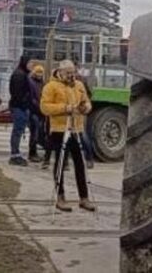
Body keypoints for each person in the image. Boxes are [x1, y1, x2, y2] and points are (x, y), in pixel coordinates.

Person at [40, 60, 95, 212]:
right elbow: (44, 107)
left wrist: (86, 108)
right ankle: (60, 197)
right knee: (60, 163)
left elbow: (87, 102)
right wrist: (65, 108)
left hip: (76, 129)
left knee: (80, 163)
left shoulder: (79, 85)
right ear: (61, 72)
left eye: (73, 72)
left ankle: (84, 198)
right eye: (69, 73)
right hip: (59, 129)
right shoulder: (50, 86)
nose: (72, 76)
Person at [8, 53, 33, 166]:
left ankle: (16, 153)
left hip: (21, 107)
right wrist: (25, 104)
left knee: (18, 131)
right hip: (19, 107)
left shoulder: (23, 74)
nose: (31, 65)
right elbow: (17, 93)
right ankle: (14, 155)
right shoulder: (19, 75)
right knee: (17, 131)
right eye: (30, 63)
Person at [75, 68, 96, 169]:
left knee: (82, 135)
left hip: (79, 112)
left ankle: (89, 158)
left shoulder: (80, 82)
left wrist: (83, 106)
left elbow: (88, 95)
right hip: (70, 111)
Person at [28, 62, 46, 162]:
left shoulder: (42, 83)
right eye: (38, 72)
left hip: (41, 111)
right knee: (34, 133)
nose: (40, 74)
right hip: (34, 111)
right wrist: (39, 106)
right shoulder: (31, 82)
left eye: (41, 73)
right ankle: (32, 153)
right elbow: (32, 98)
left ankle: (35, 152)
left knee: (39, 133)